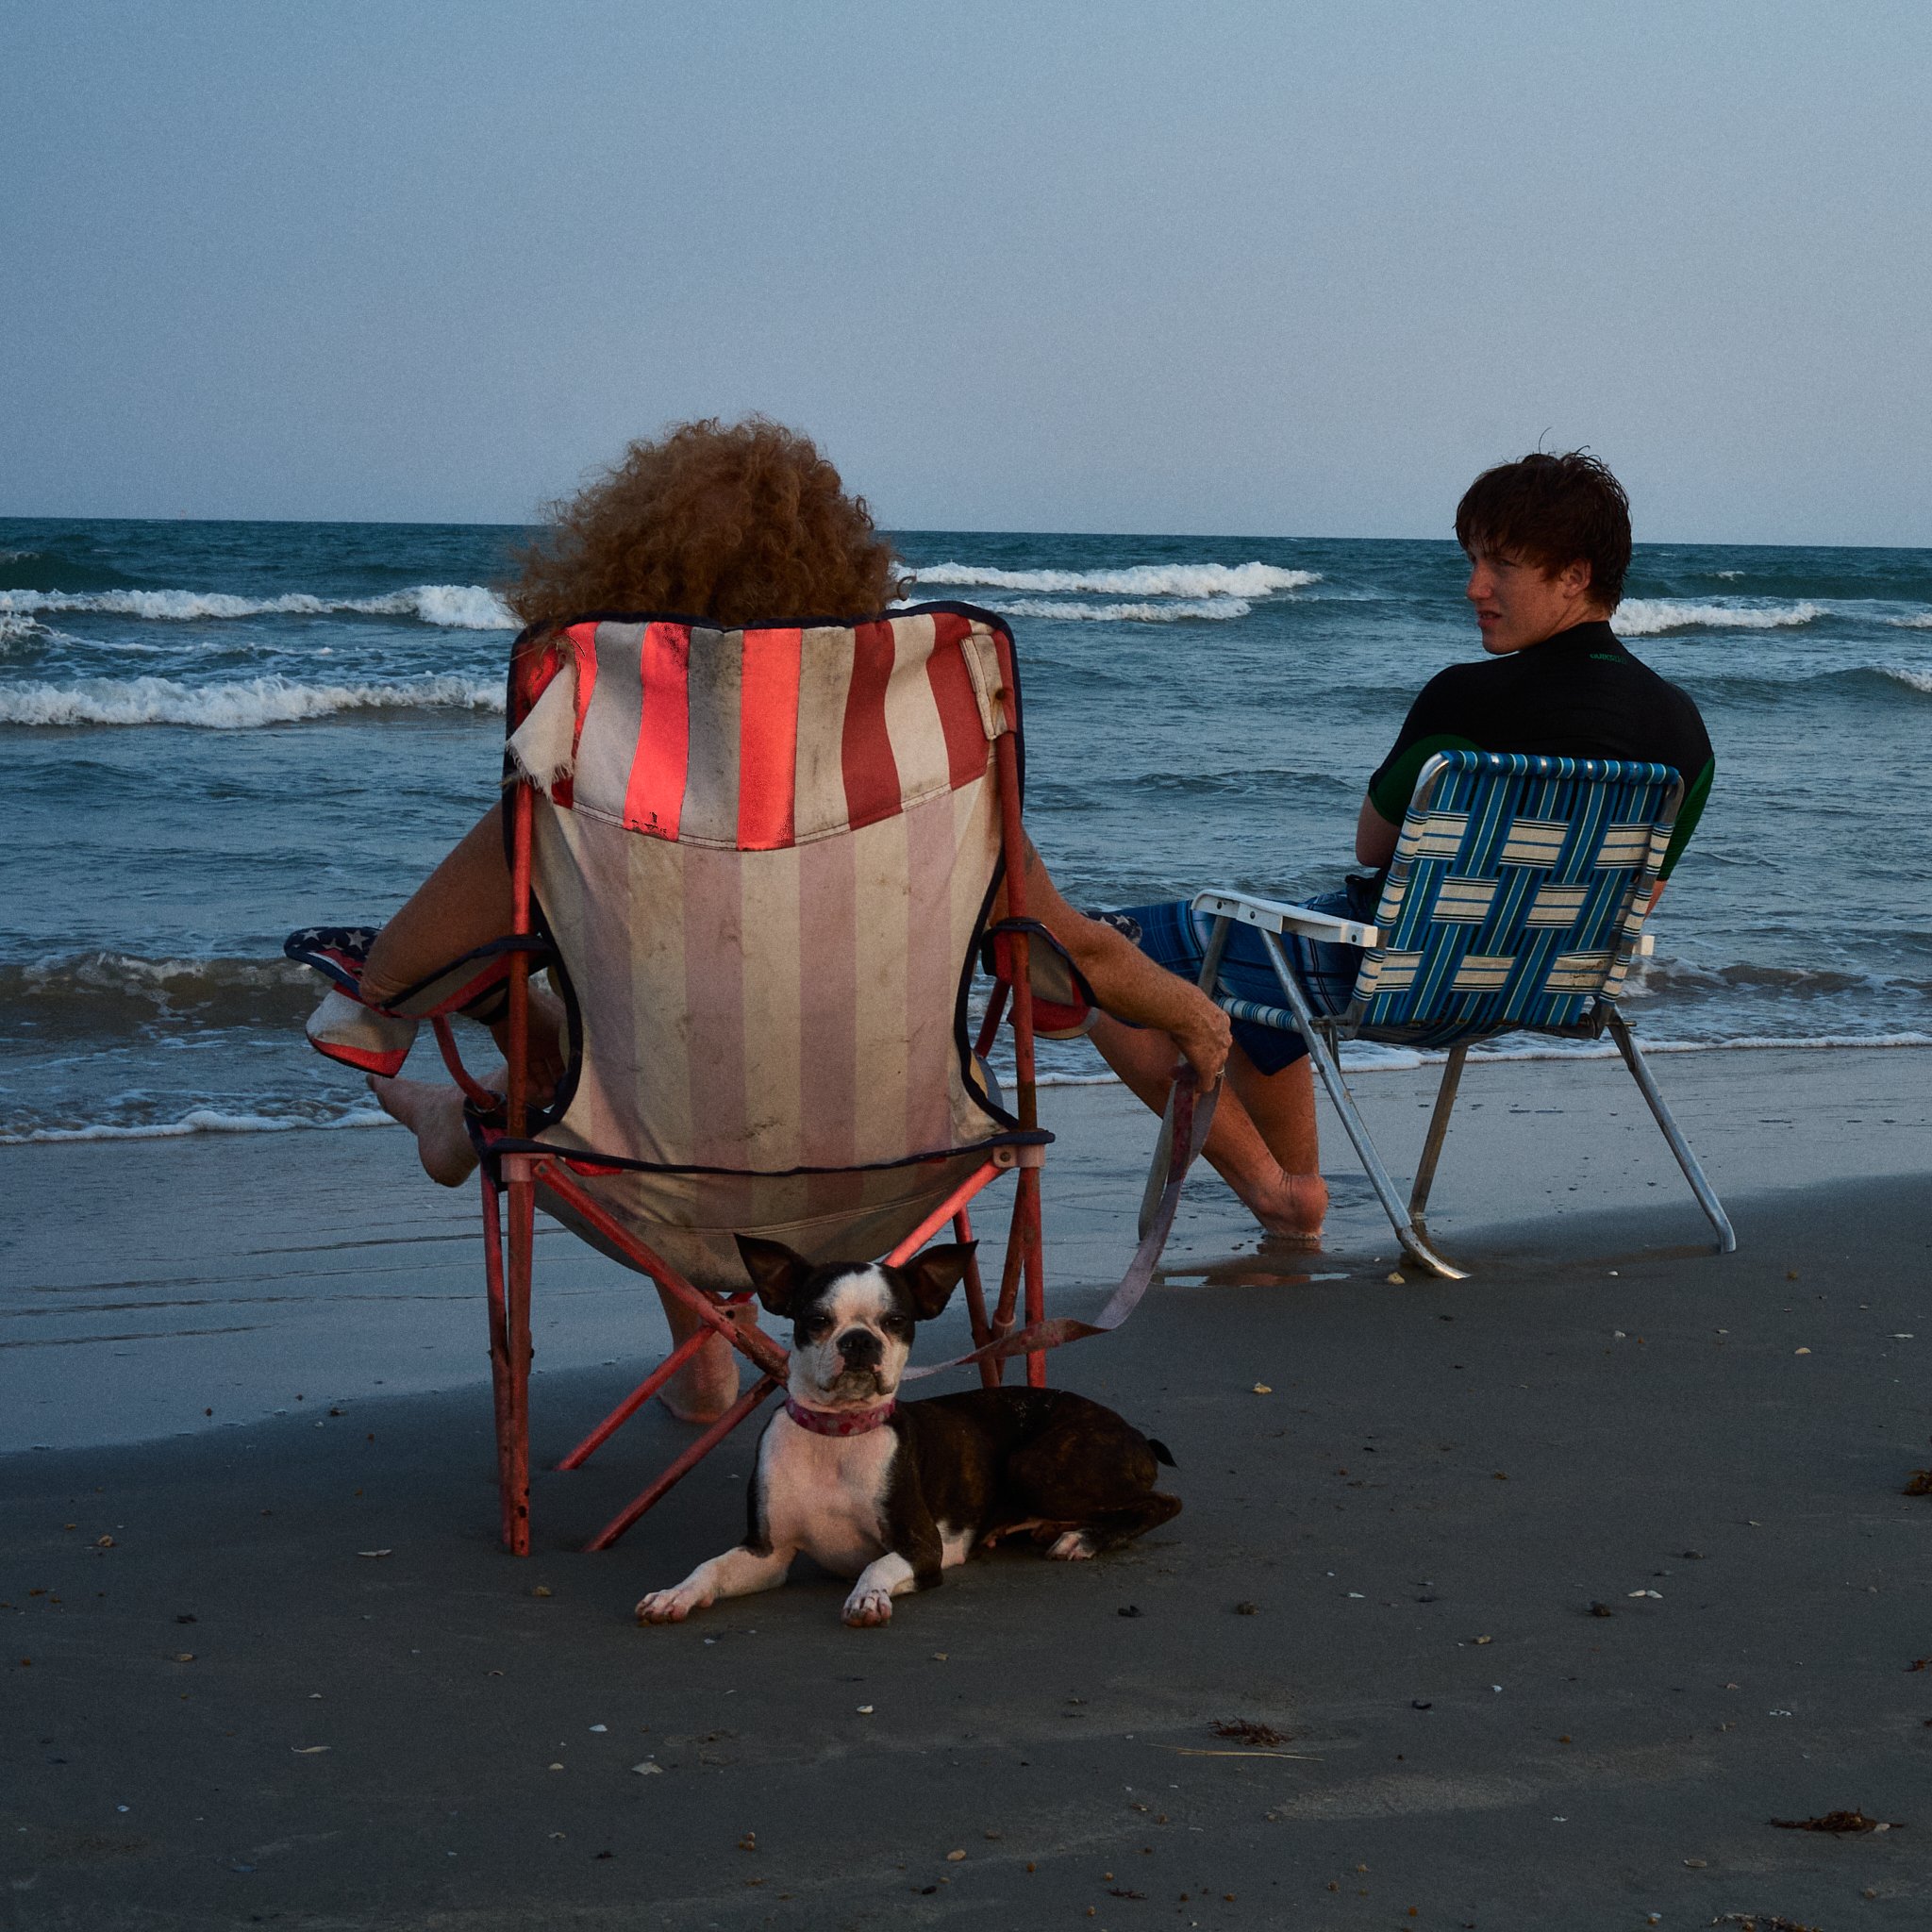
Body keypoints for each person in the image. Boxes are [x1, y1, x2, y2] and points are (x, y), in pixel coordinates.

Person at [358, 417, 1231, 1424]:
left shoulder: (571, 779)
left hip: (654, 1190)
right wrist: (1195, 1020)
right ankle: (541, 1158)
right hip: (904, 1178)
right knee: (694, 1036)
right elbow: (1069, 950)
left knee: (601, 1041)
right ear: (842, 576)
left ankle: (482, 1144)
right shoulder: (928, 778)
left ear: (618, 576)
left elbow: (397, 972)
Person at [1089, 450, 1714, 1247]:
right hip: (1546, 989)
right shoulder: (1683, 732)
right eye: (1474, 561)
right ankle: (1296, 1186)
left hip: (1391, 979)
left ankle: (1279, 1192)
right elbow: (1638, 898)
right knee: (1264, 967)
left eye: (1503, 565)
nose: (1475, 587)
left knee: (1093, 951)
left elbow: (1374, 841)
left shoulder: (1468, 697)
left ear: (1574, 575)